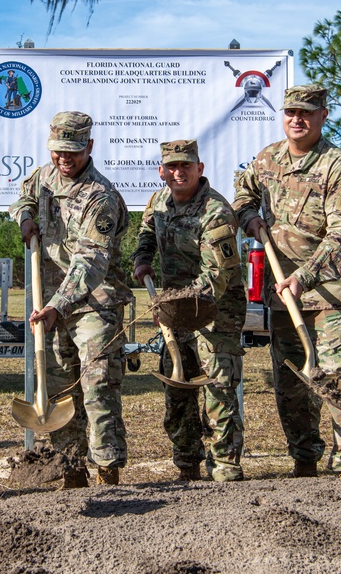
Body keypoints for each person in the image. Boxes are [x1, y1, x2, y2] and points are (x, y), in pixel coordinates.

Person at [232, 85, 341, 478]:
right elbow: (242, 194)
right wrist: (249, 218)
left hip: (330, 295)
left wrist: (304, 277)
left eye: (307, 112)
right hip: (283, 296)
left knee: (338, 382)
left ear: (323, 116)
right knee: (291, 386)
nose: (298, 119)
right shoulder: (268, 159)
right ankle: (304, 462)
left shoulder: (339, 166)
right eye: (291, 111)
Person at [9, 111, 133, 487]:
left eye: (73, 152)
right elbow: (23, 198)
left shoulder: (102, 197)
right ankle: (71, 468)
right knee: (58, 384)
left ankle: (107, 469)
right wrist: (24, 215)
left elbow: (90, 262)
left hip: (93, 302)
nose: (64, 159)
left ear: (89, 147)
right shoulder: (43, 177)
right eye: (58, 150)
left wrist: (56, 306)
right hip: (51, 301)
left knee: (97, 384)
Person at [131, 140, 247, 482]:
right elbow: (147, 230)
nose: (178, 172)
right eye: (172, 167)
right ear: (162, 171)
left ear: (200, 168)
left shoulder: (216, 212)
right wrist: (141, 257)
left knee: (219, 387)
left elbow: (218, 275)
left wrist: (171, 305)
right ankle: (186, 462)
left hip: (216, 310)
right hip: (174, 310)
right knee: (178, 383)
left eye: (186, 166)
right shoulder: (158, 202)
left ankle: (225, 465)